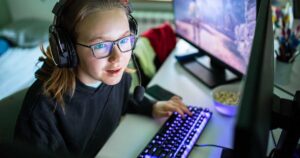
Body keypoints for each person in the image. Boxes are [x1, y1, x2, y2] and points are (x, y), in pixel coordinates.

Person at [13, 0, 192, 157]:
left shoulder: (117, 77)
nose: (117, 57)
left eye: (124, 40)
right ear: (67, 50)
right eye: (100, 45)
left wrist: (152, 107)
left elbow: (122, 101)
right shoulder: (43, 111)